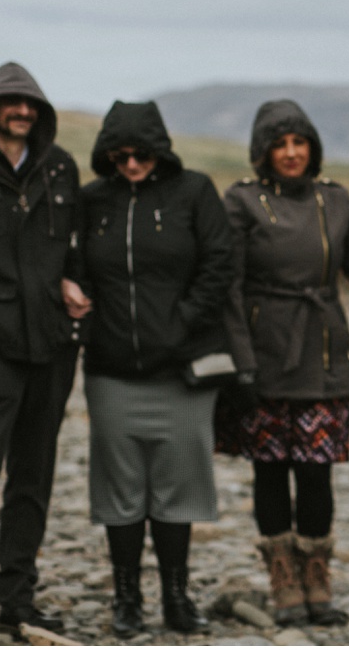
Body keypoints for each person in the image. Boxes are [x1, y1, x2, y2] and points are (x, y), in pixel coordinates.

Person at [216, 100, 349, 626]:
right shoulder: (241, 201)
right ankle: (283, 578)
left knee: (317, 470)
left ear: (312, 147)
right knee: (271, 469)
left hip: (323, 350)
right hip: (263, 351)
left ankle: (316, 576)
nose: (290, 153)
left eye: (298, 142)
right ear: (263, 151)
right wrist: (239, 361)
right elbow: (226, 287)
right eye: (279, 144)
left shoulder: (336, 200)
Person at [77, 101, 235, 636]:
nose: (130, 165)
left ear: (160, 150)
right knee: (120, 490)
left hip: (182, 371)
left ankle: (176, 596)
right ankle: (126, 599)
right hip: (110, 370)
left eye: (140, 154)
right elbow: (73, 266)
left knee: (179, 486)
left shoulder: (194, 191)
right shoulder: (92, 200)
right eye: (118, 156)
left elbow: (220, 262)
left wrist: (182, 322)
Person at [0, 63, 85, 645]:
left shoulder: (59, 168)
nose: (23, 112)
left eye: (31, 104)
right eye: (12, 103)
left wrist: (74, 287)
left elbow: (76, 249)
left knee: (33, 480)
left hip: (52, 349)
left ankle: (17, 602)